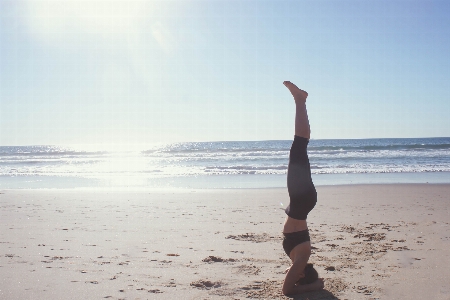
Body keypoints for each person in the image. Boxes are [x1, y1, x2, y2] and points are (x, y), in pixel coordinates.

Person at [281, 81, 324, 296]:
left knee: (299, 147)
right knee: (299, 146)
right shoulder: (301, 260)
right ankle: (300, 100)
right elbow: (287, 291)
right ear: (301, 276)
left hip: (302, 202)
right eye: (294, 275)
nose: (289, 273)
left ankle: (300, 100)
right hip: (301, 201)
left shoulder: (301, 259)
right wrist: (314, 287)